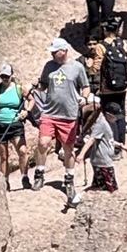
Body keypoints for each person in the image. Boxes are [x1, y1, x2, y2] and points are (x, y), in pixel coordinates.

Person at [31, 38, 91, 194]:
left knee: (68, 148)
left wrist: (84, 98)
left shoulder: (77, 67)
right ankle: (39, 174)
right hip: (49, 112)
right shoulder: (49, 66)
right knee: (43, 142)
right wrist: (37, 85)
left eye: (55, 52)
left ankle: (69, 178)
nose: (52, 54)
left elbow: (85, 87)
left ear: (64, 51)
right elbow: (44, 85)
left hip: (68, 114)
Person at [94, 16, 127, 151]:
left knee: (109, 116)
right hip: (122, 86)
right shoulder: (124, 43)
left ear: (105, 29)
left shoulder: (101, 46)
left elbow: (96, 67)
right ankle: (121, 144)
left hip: (107, 88)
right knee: (120, 115)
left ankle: (113, 147)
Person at [80, 101, 118, 200]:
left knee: (98, 186)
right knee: (111, 189)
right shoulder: (102, 124)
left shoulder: (107, 123)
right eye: (115, 116)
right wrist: (81, 154)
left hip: (105, 161)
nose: (116, 119)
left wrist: (119, 145)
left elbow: (108, 140)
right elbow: (92, 139)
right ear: (108, 114)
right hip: (102, 162)